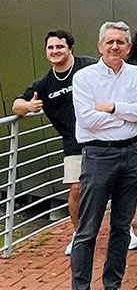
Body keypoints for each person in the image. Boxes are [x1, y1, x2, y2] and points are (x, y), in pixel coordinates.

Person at [69, 22, 137, 290]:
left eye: (121, 42)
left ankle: (112, 287)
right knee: (88, 228)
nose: (115, 47)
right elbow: (87, 119)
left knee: (121, 226)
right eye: (110, 42)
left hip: (133, 153)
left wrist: (113, 108)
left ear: (129, 47)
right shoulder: (84, 77)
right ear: (100, 45)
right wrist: (126, 116)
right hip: (98, 155)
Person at [13, 30, 101, 256]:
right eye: (51, 48)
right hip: (73, 141)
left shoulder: (89, 66)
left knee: (112, 186)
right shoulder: (43, 84)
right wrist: (28, 107)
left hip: (102, 135)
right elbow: (17, 105)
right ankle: (79, 234)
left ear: (70, 48)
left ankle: (125, 230)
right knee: (76, 188)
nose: (55, 51)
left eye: (60, 47)